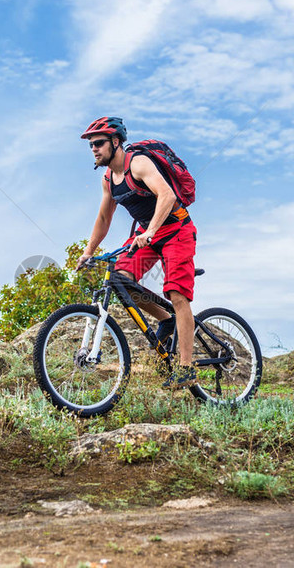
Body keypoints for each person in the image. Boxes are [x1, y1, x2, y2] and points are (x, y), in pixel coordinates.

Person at [76, 116, 198, 389]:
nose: (94, 149)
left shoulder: (138, 164)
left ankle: (186, 367)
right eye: (91, 146)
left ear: (115, 142)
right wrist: (88, 252)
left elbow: (166, 196)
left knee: (177, 293)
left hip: (176, 229)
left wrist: (150, 231)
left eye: (98, 143)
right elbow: (104, 219)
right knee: (122, 281)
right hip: (146, 235)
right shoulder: (108, 179)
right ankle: (167, 321)